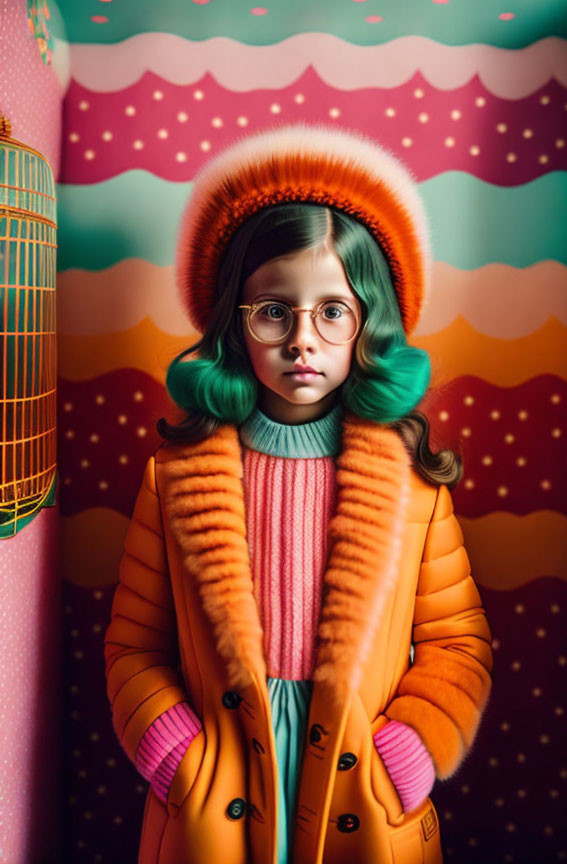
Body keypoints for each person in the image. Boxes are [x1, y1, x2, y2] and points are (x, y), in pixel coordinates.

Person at [104, 124, 493, 864]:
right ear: (235, 323)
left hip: (362, 792)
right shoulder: (174, 477)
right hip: (214, 790)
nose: (303, 339)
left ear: (367, 325)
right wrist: (173, 752)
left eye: (332, 311)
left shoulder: (415, 485)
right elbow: (133, 645)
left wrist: (408, 750)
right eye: (274, 310)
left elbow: (458, 643)